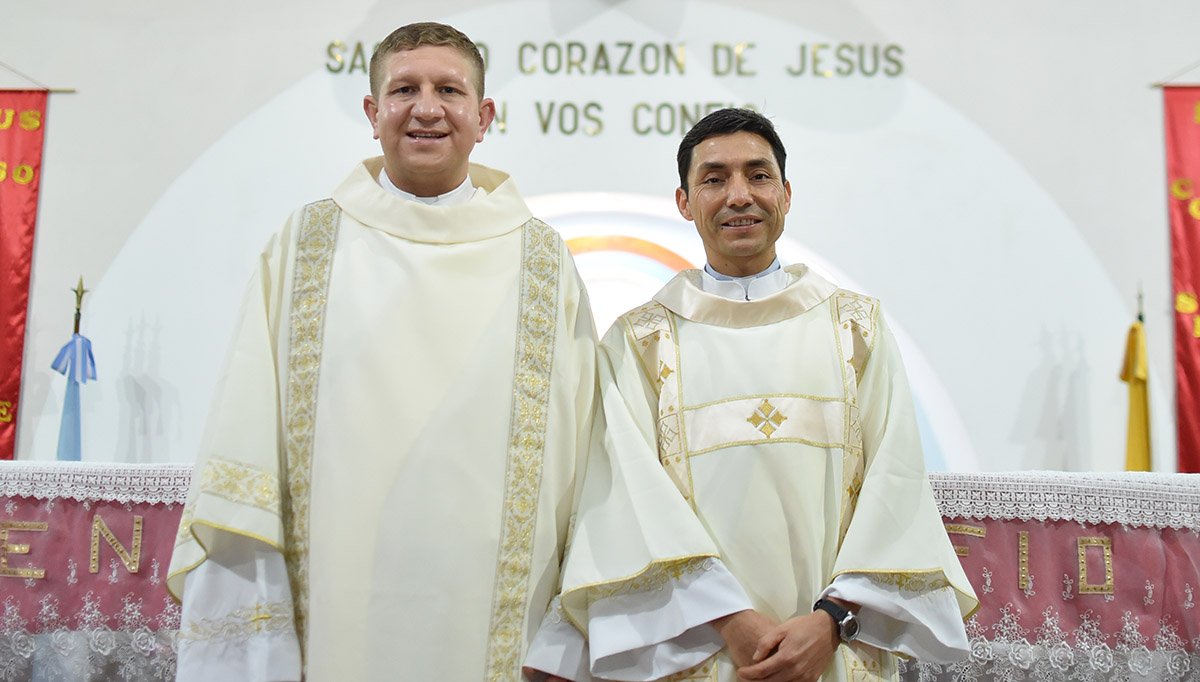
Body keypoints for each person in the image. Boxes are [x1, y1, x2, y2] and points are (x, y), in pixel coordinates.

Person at [167, 22, 601, 681]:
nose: (426, 108)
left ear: (484, 117)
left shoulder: (540, 258)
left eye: (449, 90)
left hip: (498, 603)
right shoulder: (307, 243)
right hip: (335, 589)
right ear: (373, 114)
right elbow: (247, 413)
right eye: (404, 90)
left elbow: (586, 441)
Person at [526, 108, 977, 682]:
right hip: (705, 650)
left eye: (758, 176)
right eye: (714, 179)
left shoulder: (855, 328)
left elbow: (895, 486)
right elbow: (626, 501)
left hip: (830, 650)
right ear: (684, 202)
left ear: (786, 194)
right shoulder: (640, 342)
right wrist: (731, 620)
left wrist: (830, 622)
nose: (739, 195)